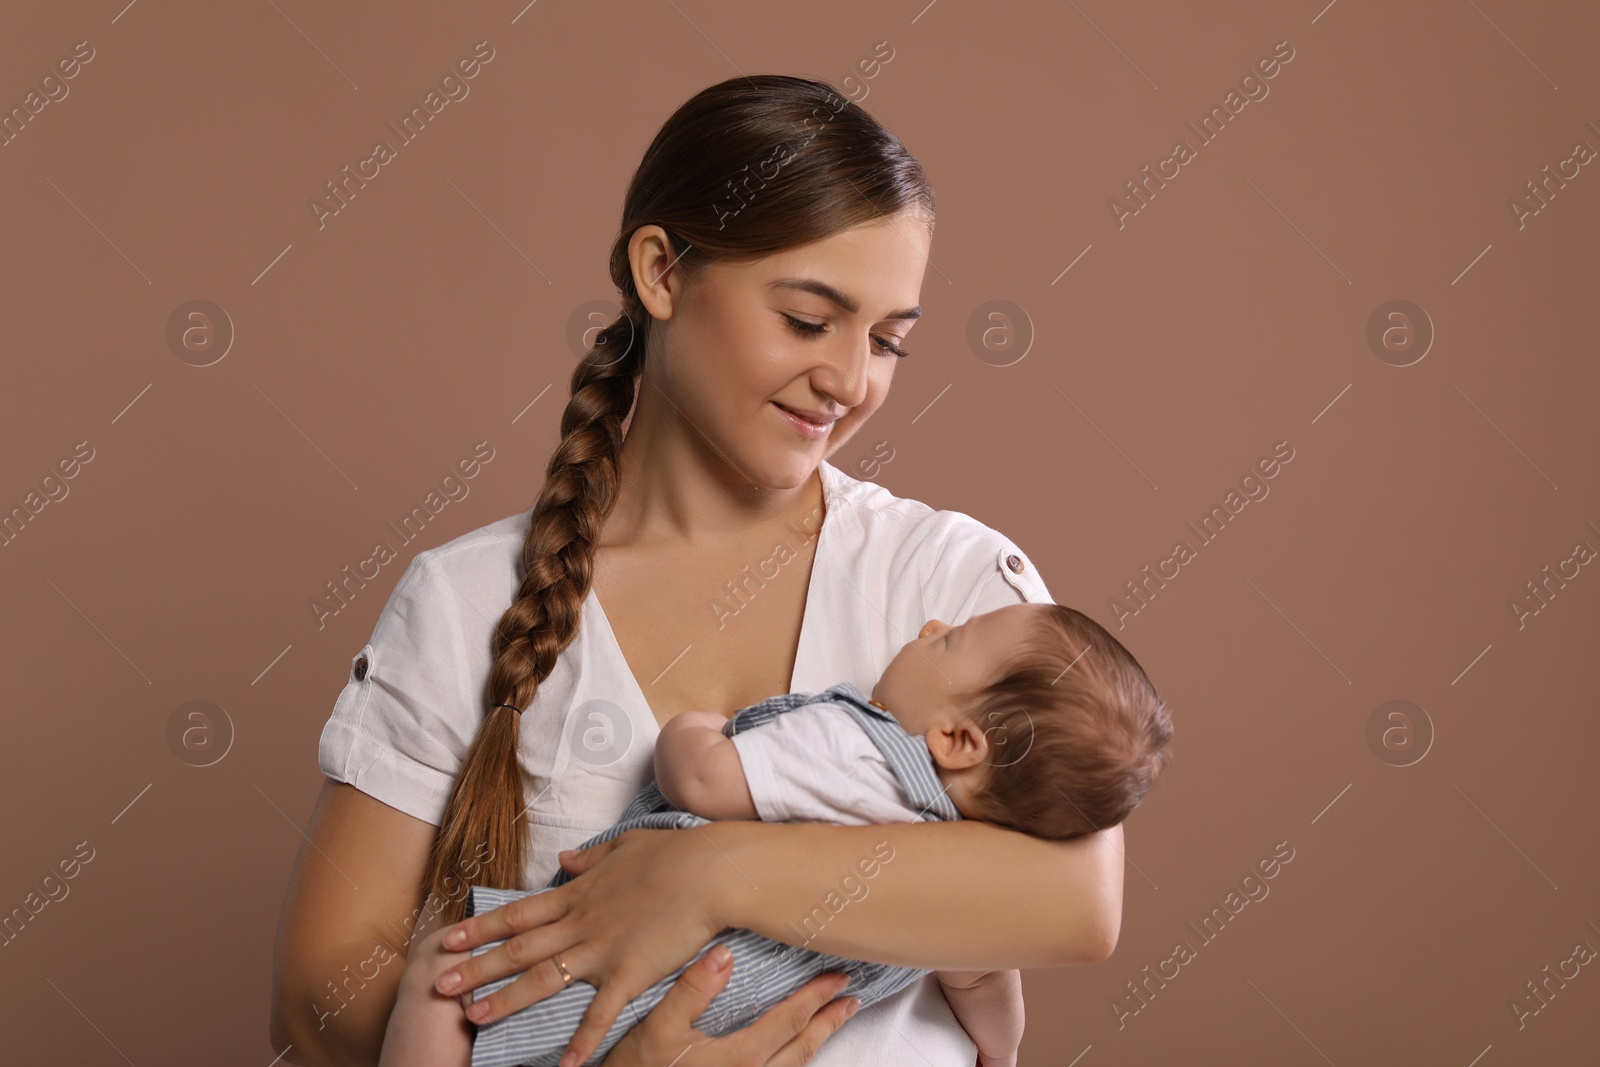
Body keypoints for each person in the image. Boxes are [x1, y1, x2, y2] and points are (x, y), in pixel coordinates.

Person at [269, 73, 1126, 1067]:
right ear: (661, 272)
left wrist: (706, 873)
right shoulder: (467, 602)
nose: (850, 381)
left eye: (888, 341)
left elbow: (1077, 902)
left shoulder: (955, 583)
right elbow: (315, 991)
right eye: (808, 320)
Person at [375, 602, 1171, 1067]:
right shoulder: (963, 884)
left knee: (443, 973)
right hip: (744, 1017)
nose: (931, 623)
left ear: (957, 741)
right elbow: (994, 1009)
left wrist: (693, 728)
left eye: (952, 640)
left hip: (645, 970)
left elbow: (707, 781)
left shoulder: (860, 746)